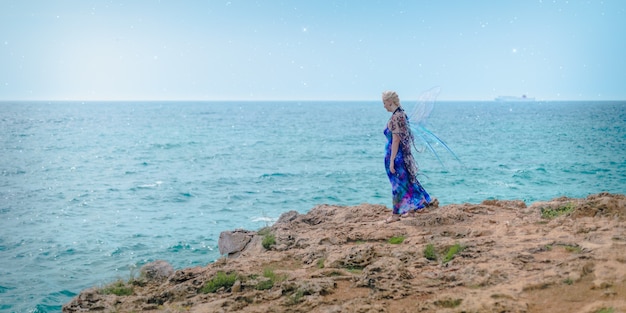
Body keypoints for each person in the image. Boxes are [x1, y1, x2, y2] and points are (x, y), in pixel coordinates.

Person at [382, 91, 432, 223]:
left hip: (396, 156)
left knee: (397, 185)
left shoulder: (396, 117)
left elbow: (396, 140)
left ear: (390, 102)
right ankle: (410, 210)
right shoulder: (402, 114)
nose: (384, 106)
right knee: (406, 183)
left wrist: (392, 160)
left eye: (384, 103)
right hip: (402, 155)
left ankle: (395, 215)